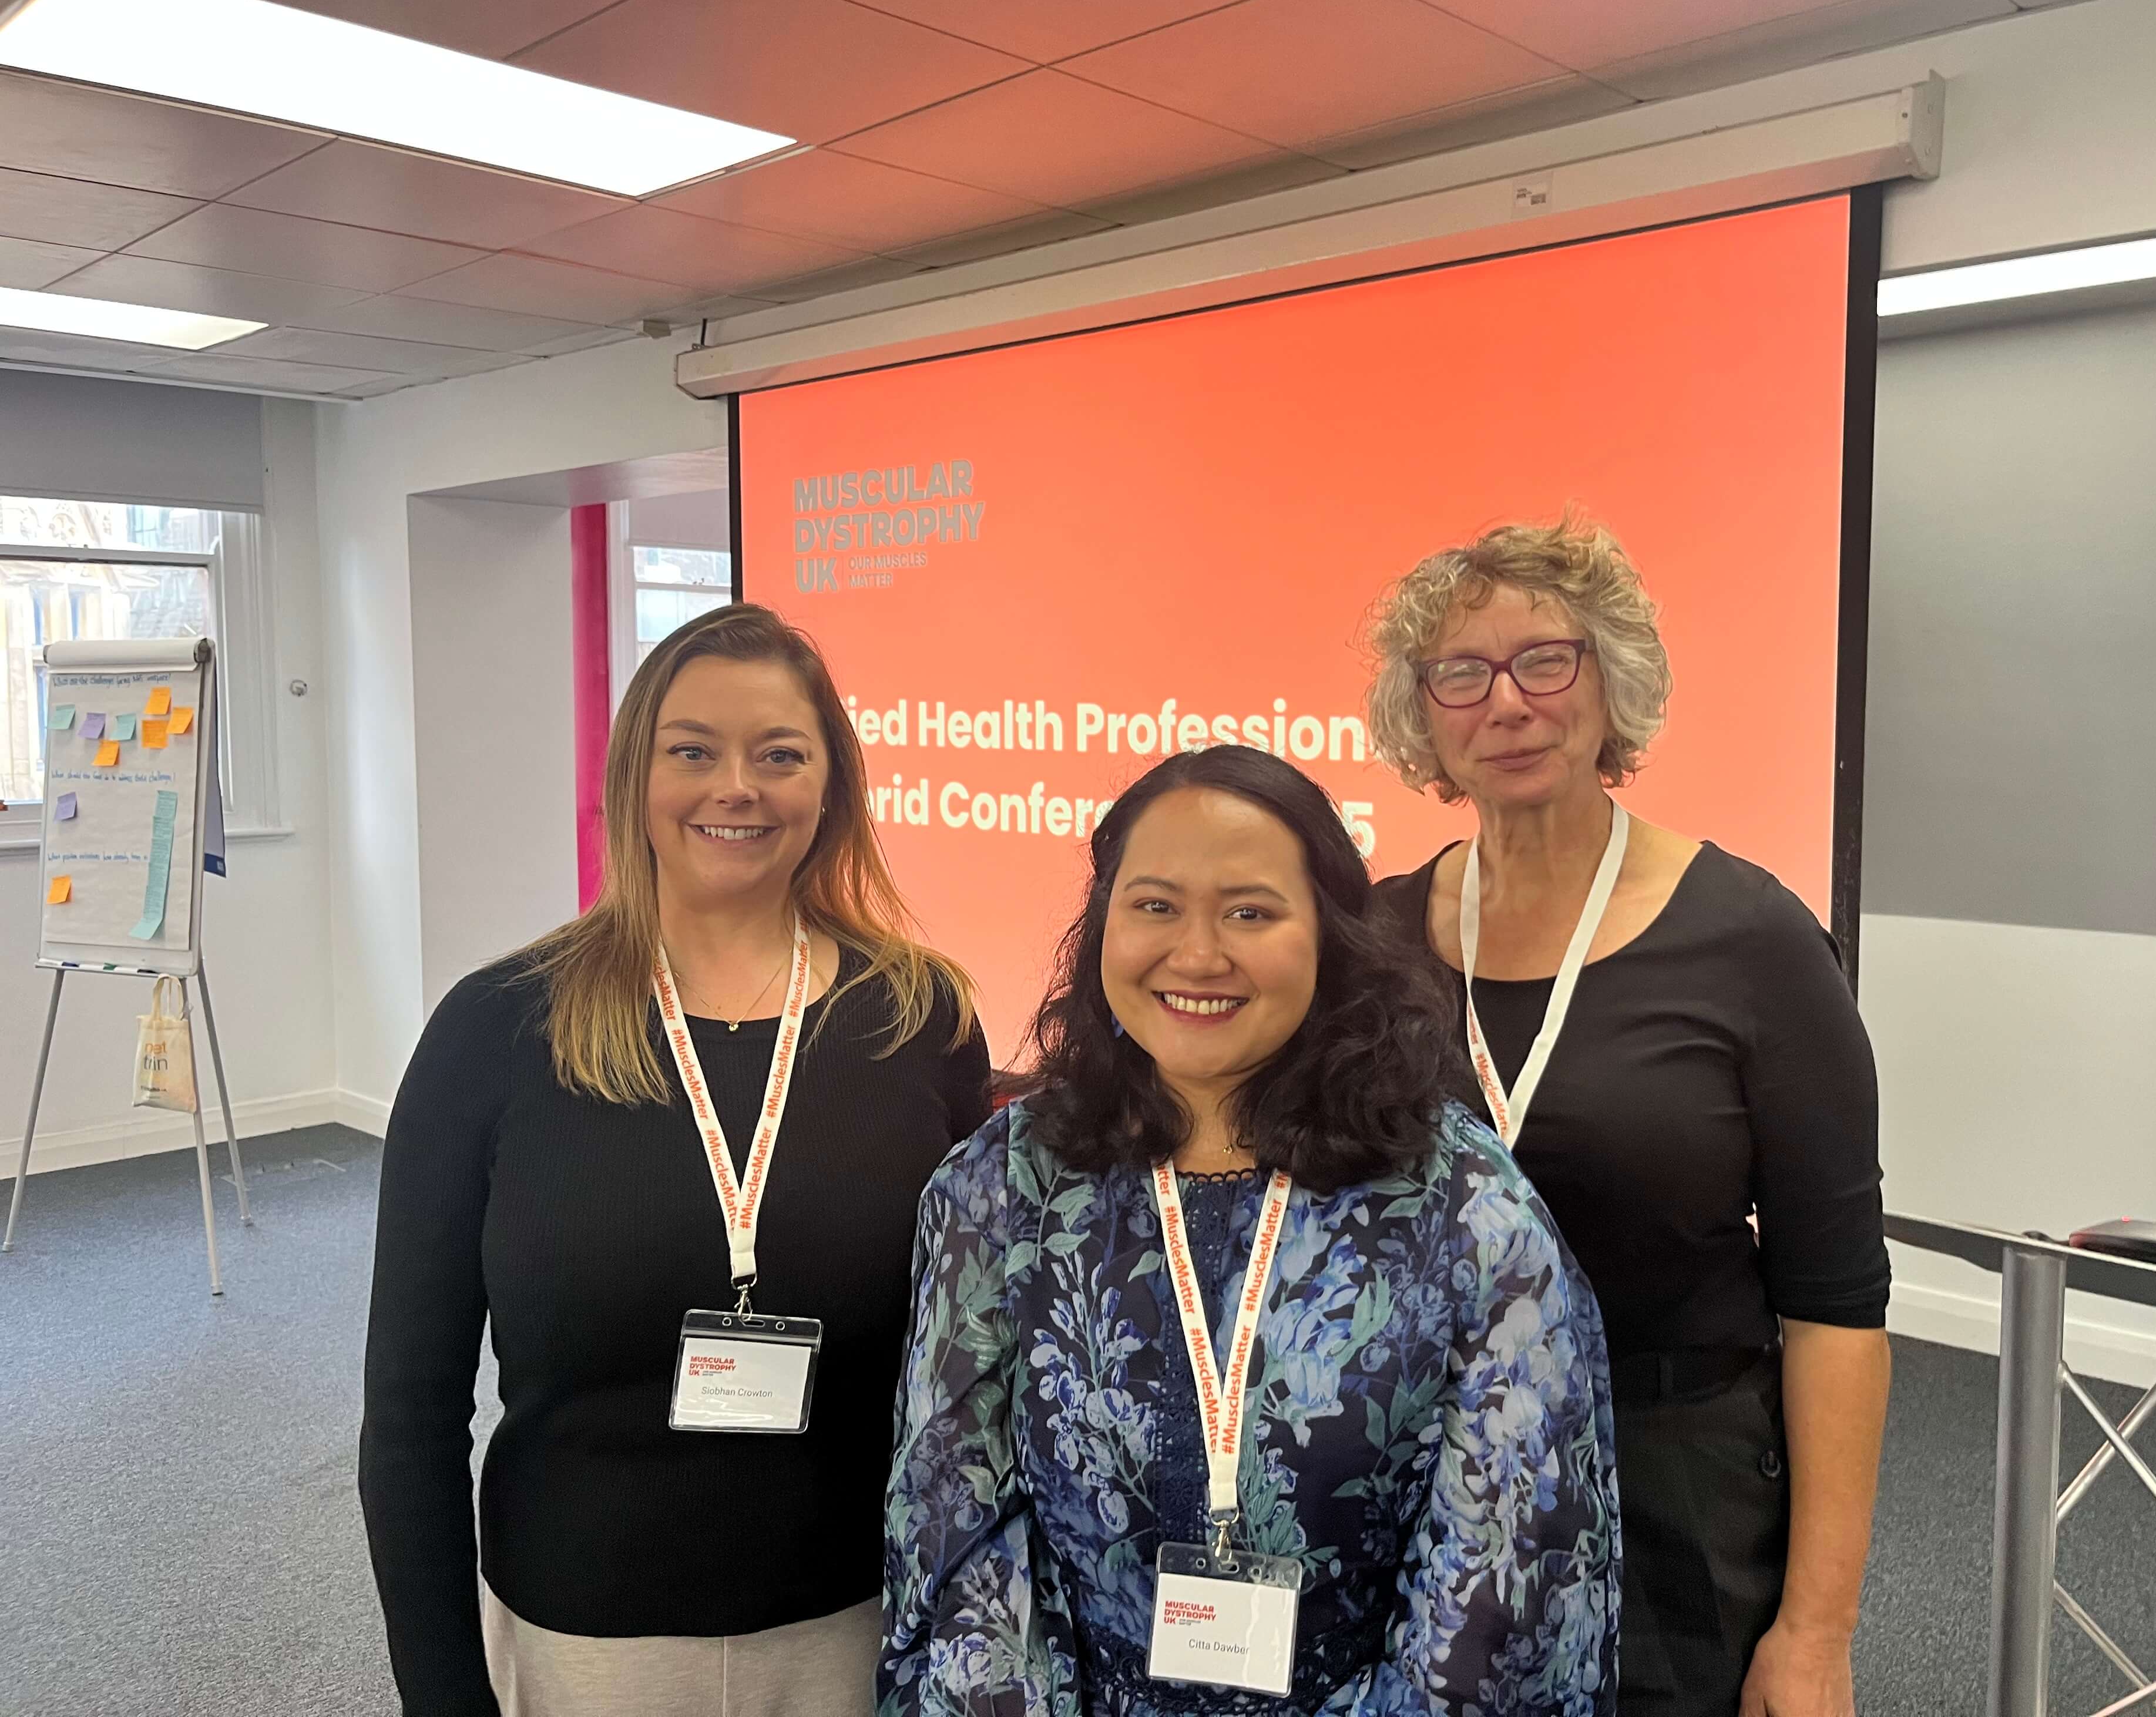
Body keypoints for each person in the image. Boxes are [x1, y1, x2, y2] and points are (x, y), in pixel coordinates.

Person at [881, 745, 1618, 1716]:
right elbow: (958, 1534)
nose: (1196, 954)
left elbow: (1508, 1596)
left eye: (1250, 912)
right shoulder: (1003, 1186)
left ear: (1330, 932)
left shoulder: (1463, 1209)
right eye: (1154, 906)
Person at [360, 603, 989, 1717]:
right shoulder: (498, 1030)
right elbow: (410, 1408)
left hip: (857, 1628)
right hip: (585, 1643)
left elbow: (962, 1367)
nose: (734, 787)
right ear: (631, 779)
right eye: (691, 750)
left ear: (831, 785)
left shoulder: (917, 1020)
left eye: (779, 755)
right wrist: (443, 1697)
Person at [1365, 513, 1892, 1717]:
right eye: (1462, 672)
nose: (1507, 702)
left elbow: (1838, 1309)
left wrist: (1817, 1631)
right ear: (1425, 713)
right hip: (1425, 1467)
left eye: (1546, 660)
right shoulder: (1375, 941)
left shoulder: (1752, 941)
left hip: (1672, 1481)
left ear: (1612, 685)